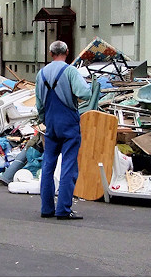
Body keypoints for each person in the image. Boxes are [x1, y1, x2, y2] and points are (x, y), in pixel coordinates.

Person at [36, 41, 93, 220]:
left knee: (48, 166)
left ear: (50, 53)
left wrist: (43, 119)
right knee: (68, 166)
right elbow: (85, 93)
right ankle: (63, 210)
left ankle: (46, 209)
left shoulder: (41, 73)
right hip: (68, 122)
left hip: (50, 123)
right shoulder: (70, 71)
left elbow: (39, 103)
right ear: (67, 52)